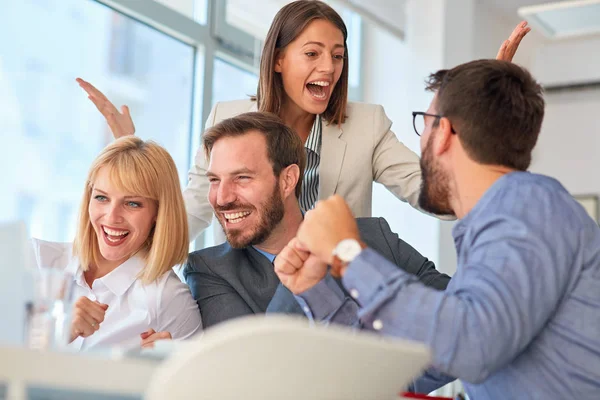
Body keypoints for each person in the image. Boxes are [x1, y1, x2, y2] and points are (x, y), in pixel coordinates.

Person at [273, 60, 600, 399]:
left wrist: (349, 253)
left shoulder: (527, 208)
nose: (422, 142)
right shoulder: (507, 233)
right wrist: (316, 289)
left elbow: (471, 345)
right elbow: (407, 370)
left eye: (424, 124)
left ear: (443, 132)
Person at [76, 1, 530, 241]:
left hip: (335, 297)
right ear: (277, 60)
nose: (329, 69)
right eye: (312, 54)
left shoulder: (366, 124)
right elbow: (189, 215)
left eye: (337, 56)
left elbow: (434, 194)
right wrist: (129, 156)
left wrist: (479, 113)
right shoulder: (229, 120)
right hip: (244, 293)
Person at [182, 112, 450, 329]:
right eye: (214, 180)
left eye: (242, 178)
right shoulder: (209, 270)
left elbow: (459, 318)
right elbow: (252, 372)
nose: (222, 198)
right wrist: (300, 280)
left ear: (288, 180)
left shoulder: (375, 236)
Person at [61, 136, 201, 350]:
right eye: (101, 198)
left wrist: (161, 367)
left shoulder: (168, 298)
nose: (112, 216)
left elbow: (197, 381)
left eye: (132, 203)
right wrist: (58, 332)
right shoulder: (39, 260)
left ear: (158, 213)